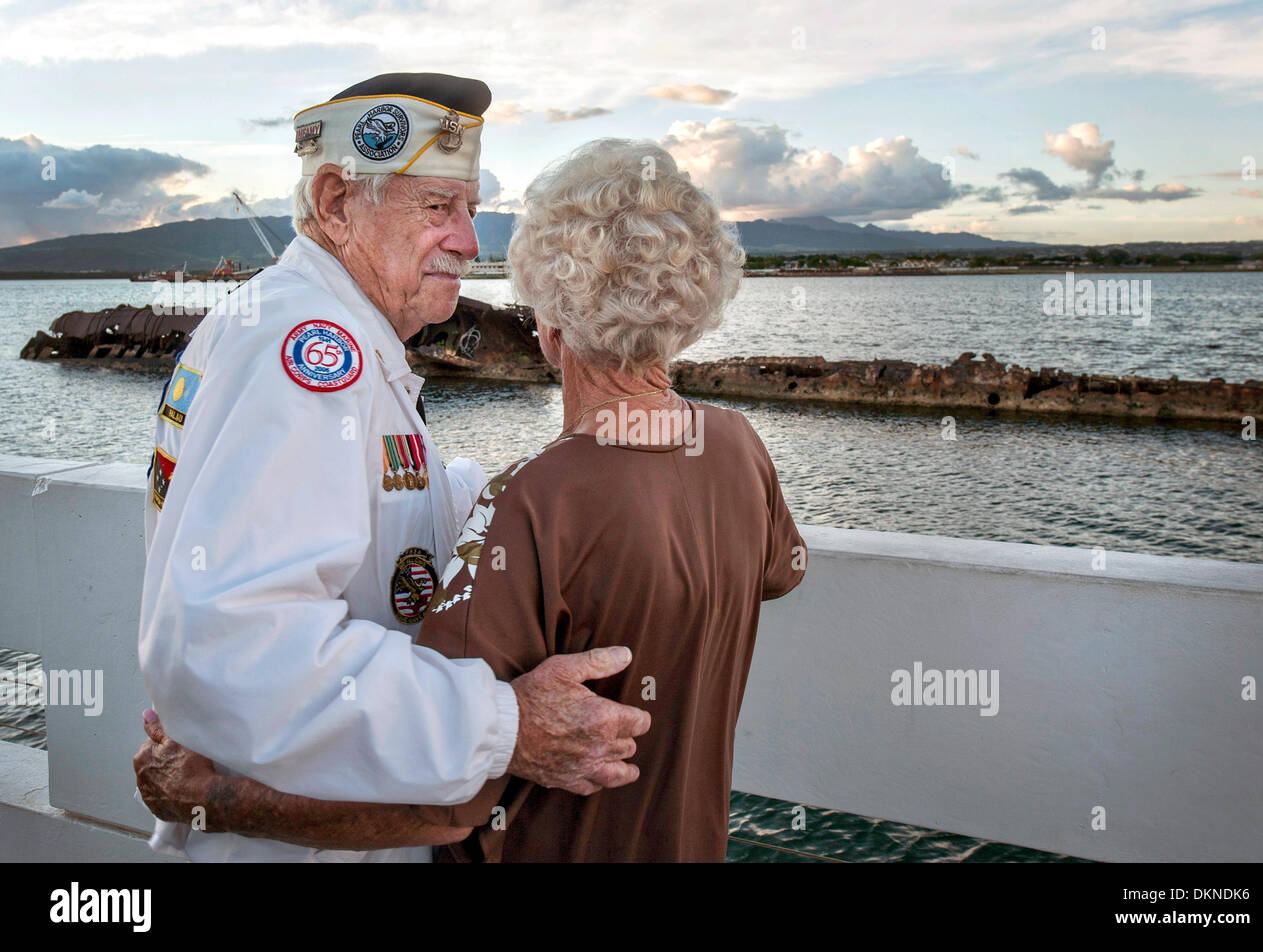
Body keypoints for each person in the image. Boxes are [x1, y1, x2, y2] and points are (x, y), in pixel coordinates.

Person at [136, 138, 806, 861]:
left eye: (472, 210)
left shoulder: (534, 497)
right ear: (334, 203)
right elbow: (779, 568)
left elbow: (447, 810)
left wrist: (207, 800)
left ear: (548, 322)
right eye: (437, 206)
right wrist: (510, 719)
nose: (467, 237)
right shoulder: (738, 447)